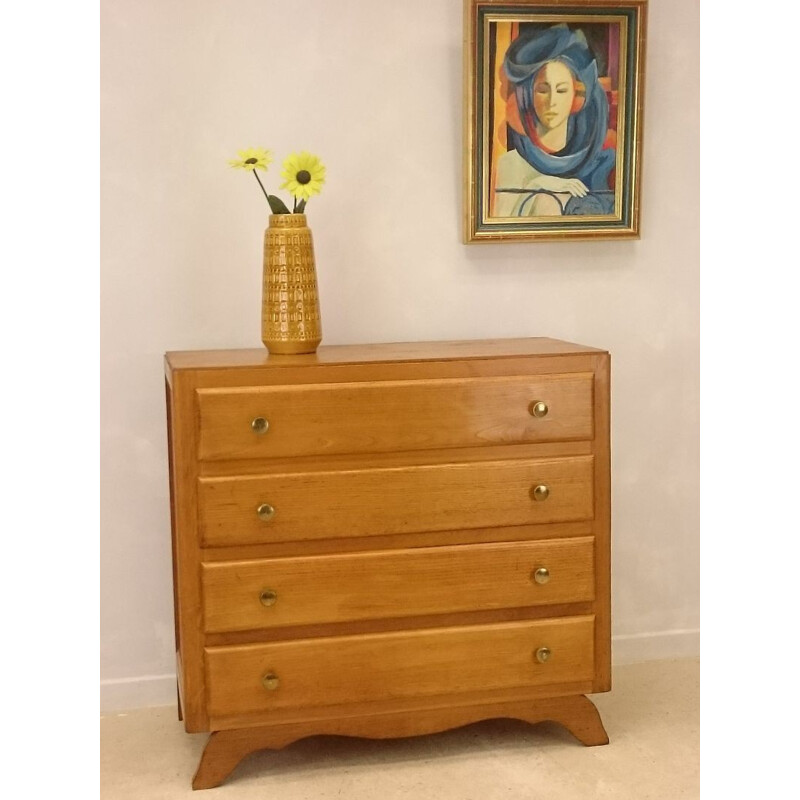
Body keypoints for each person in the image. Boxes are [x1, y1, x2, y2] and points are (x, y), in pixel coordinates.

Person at [494, 24, 616, 217]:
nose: (552, 102)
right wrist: (540, 184)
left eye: (561, 90)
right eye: (543, 90)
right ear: (528, 95)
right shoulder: (510, 164)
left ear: (576, 95)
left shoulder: (604, 159)